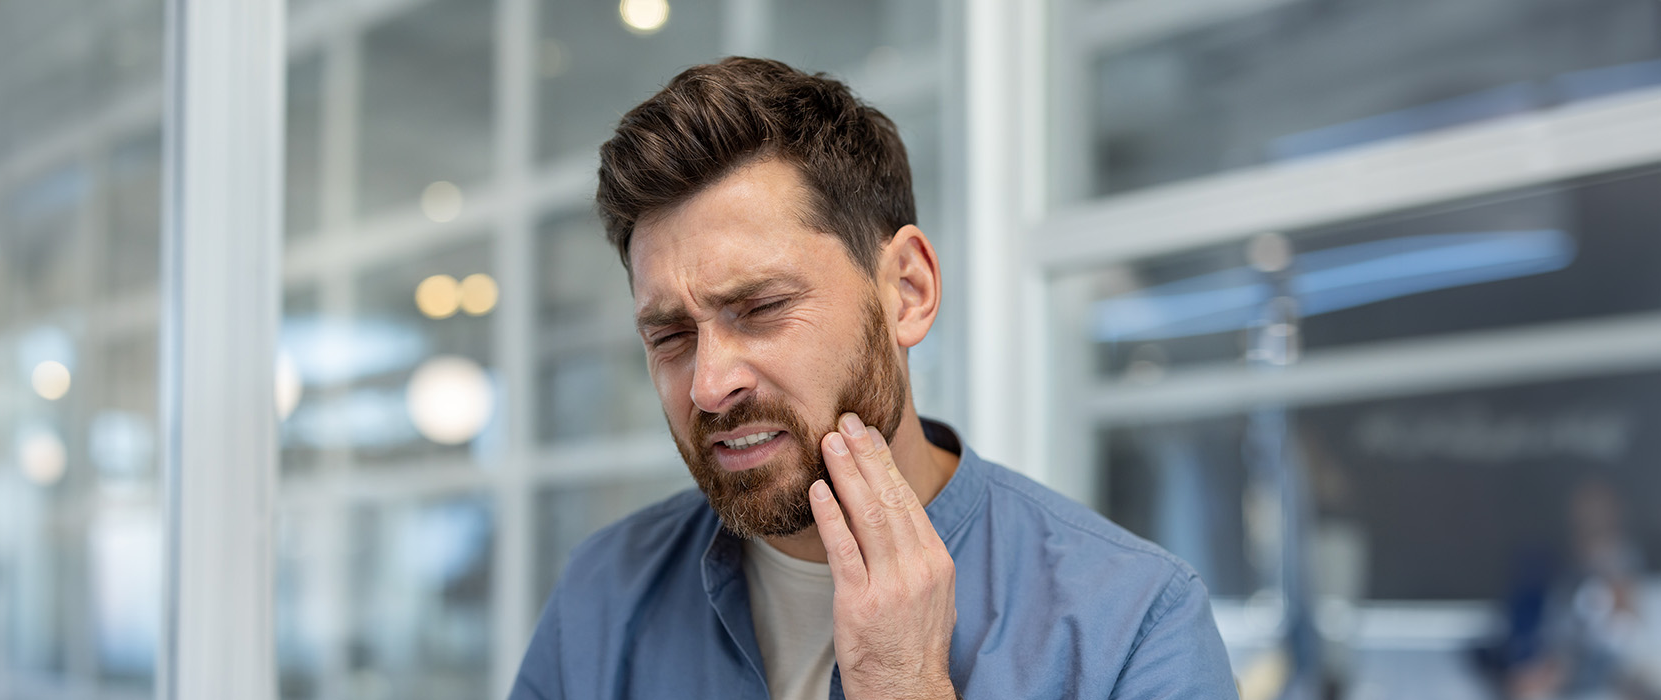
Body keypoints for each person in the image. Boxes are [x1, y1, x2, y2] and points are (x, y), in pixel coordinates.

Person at [510, 57, 1236, 700]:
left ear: (908, 291)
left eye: (761, 307)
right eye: (669, 336)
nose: (707, 385)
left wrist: (903, 687)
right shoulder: (601, 593)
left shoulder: (1134, 625)